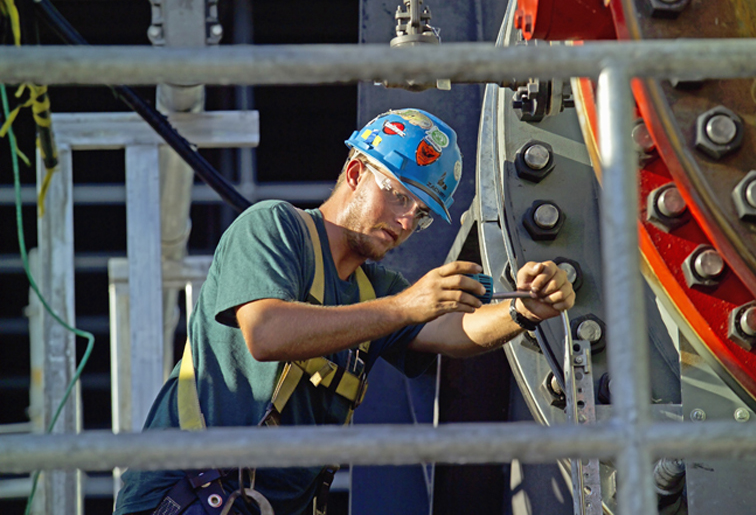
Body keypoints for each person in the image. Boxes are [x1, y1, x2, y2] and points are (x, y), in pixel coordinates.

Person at [113, 108, 575, 515]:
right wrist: (404, 307)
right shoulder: (273, 227)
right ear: (355, 172)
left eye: (421, 213)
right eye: (399, 195)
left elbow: (455, 331)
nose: (406, 221)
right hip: (186, 497)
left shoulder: (374, 289)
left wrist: (524, 311)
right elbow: (265, 333)